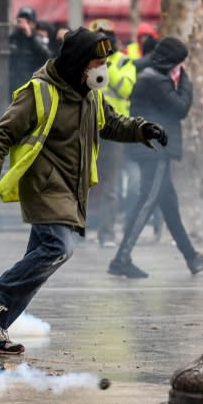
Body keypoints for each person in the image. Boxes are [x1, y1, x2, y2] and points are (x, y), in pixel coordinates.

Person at [0, 27, 167, 354]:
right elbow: (0, 135)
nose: (102, 69)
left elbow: (112, 123)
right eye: (97, 62)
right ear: (78, 63)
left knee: (37, 266)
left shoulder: (89, 94)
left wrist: (142, 129)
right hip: (46, 186)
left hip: (72, 190)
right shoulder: (39, 92)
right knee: (59, 247)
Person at [108, 37, 203, 279]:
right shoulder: (155, 79)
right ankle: (121, 258)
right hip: (155, 147)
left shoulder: (149, 72)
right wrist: (185, 79)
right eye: (179, 63)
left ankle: (192, 257)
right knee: (147, 200)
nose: (180, 67)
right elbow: (180, 107)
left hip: (151, 144)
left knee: (169, 204)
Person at [88, 18, 137, 248]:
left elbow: (127, 89)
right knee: (80, 181)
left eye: (106, 35)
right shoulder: (81, 62)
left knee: (111, 185)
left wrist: (104, 65)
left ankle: (106, 232)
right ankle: (77, 229)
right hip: (86, 128)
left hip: (113, 132)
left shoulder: (124, 62)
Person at [8, 6, 51, 94]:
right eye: (21, 21)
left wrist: (31, 36)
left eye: (28, 22)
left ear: (34, 24)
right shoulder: (14, 38)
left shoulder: (37, 38)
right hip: (14, 83)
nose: (24, 25)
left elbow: (46, 56)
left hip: (32, 83)